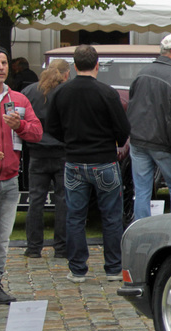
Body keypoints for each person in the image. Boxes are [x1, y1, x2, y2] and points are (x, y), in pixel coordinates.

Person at [45, 45, 130, 283]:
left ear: (73, 66)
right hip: (103, 159)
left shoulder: (61, 93)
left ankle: (77, 268)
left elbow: (51, 128)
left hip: (74, 160)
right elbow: (123, 130)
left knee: (75, 216)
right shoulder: (107, 93)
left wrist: (71, 140)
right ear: (97, 65)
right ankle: (113, 267)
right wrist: (114, 141)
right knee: (112, 216)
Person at [0, 46, 43, 306]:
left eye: (4, 62)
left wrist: (21, 126)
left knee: (2, 236)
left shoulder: (18, 99)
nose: (1, 67)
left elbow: (37, 132)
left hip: (10, 179)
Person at [126, 33, 171, 220]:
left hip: (139, 140)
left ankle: (141, 229)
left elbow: (133, 103)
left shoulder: (143, 72)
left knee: (141, 190)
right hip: (163, 142)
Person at [21, 59, 71, 259]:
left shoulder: (30, 91)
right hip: (62, 151)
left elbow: (21, 119)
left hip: (37, 152)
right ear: (66, 74)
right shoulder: (66, 92)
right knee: (63, 201)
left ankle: (33, 247)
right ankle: (61, 248)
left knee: (36, 201)